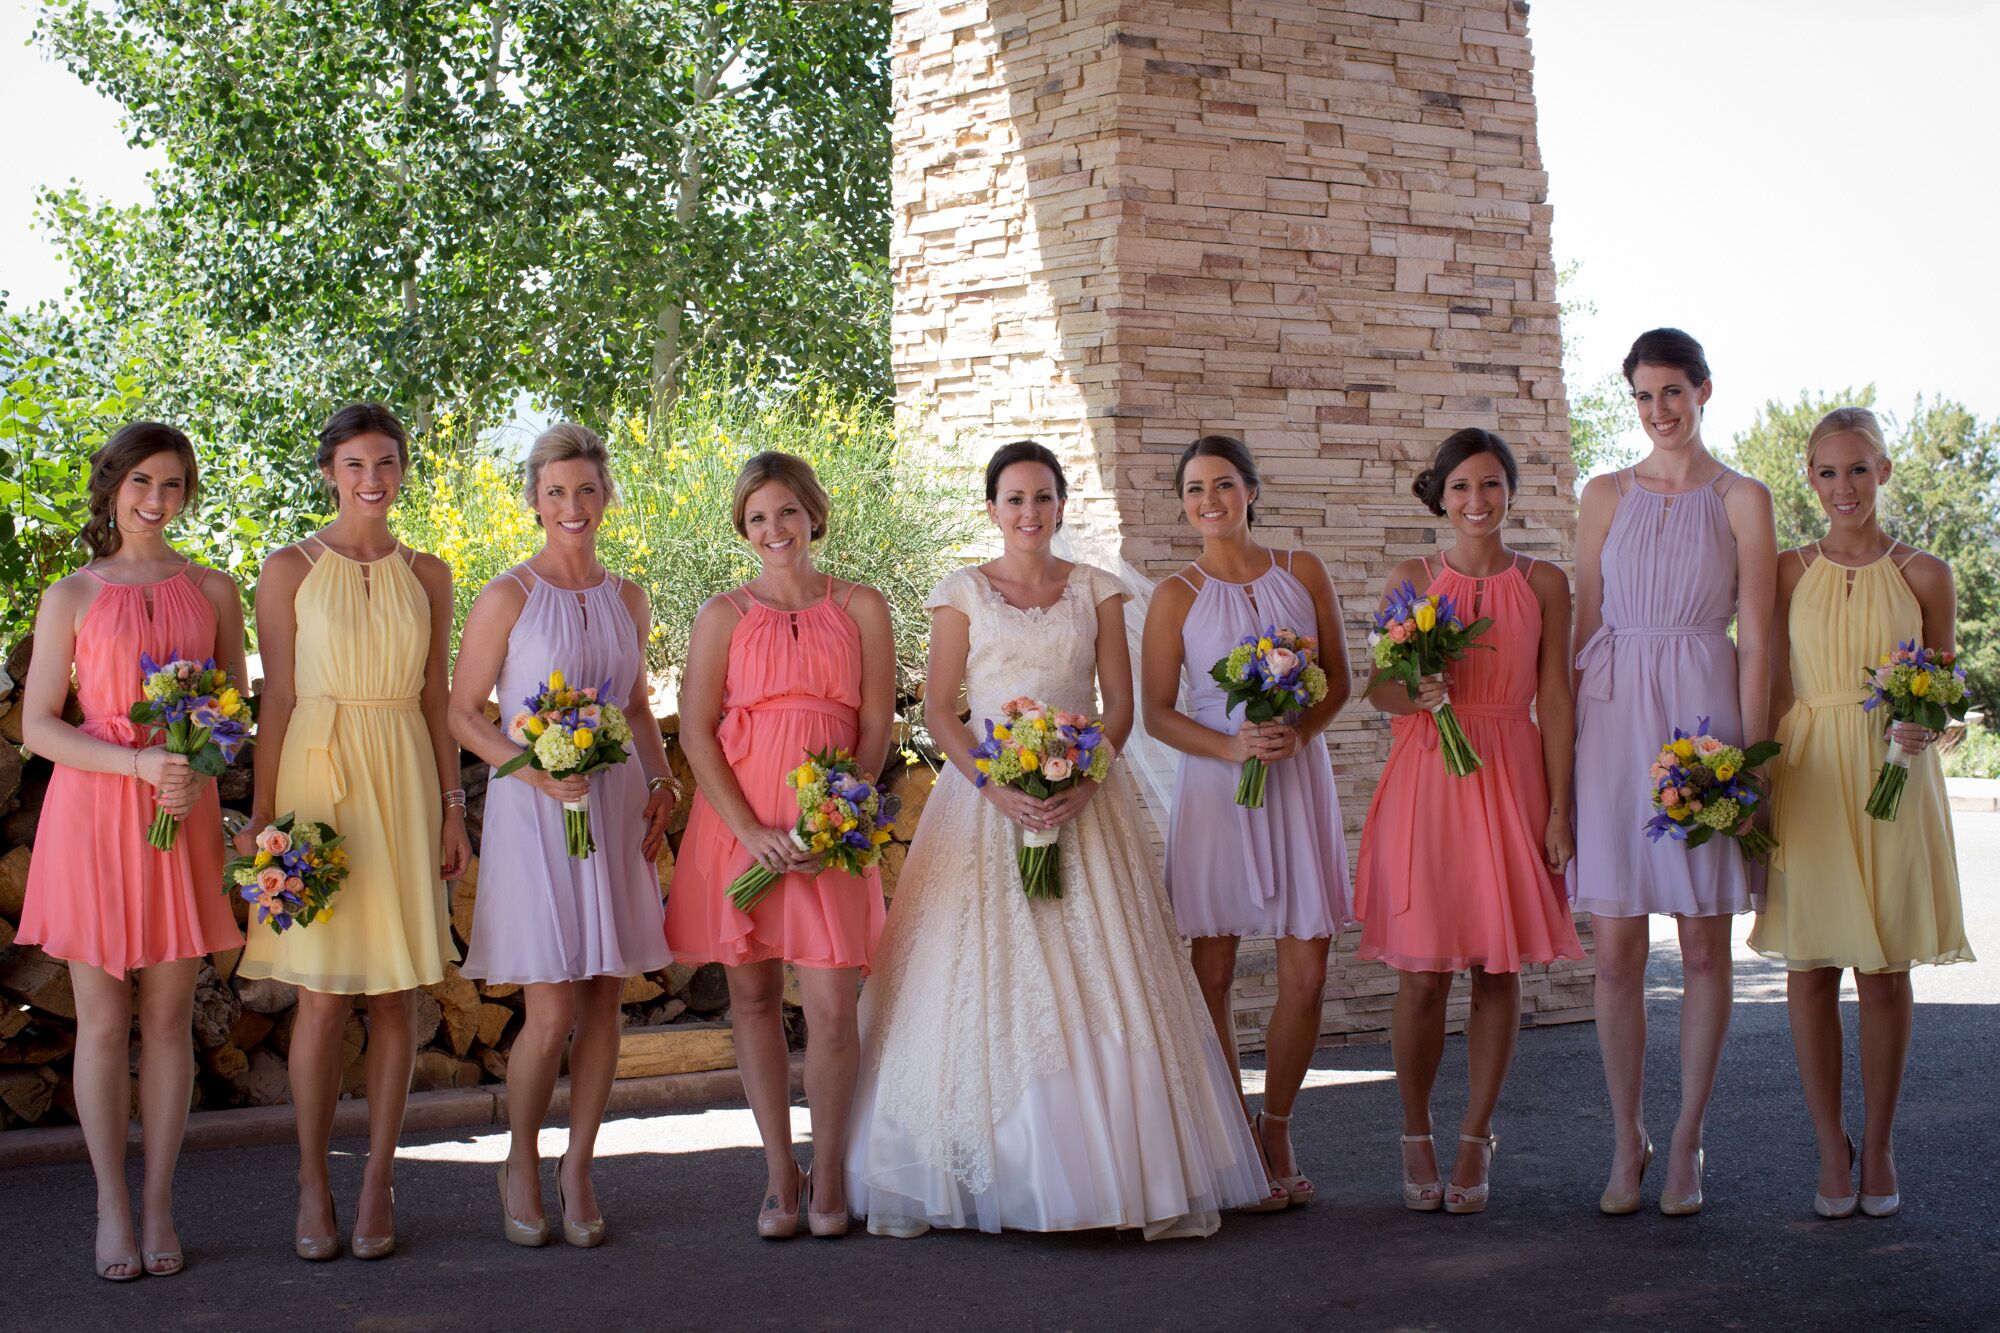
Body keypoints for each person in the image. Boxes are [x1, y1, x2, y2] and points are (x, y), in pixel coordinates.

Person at [846, 441, 1267, 1239]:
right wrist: (996, 785)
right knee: (974, 975)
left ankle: (1122, 1170)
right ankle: (980, 1166)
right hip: (983, 806)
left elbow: (1118, 708)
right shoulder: (960, 592)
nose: (1029, 512)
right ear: (993, 508)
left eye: (1043, 497)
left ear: (1062, 505)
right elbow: (941, 711)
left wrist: (1081, 778)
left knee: (1105, 971)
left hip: (1083, 799)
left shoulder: (1098, 593)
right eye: (1014, 499)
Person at [236, 403, 468, 1261]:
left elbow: (439, 699)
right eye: (356, 465)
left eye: (388, 463)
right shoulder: (287, 567)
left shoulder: (432, 572)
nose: (373, 480)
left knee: (398, 992)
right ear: (330, 471)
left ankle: (379, 1177)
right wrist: (266, 817)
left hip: (404, 774)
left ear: (403, 470)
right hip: (318, 781)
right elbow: (278, 699)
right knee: (324, 995)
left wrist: (454, 804)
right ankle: (312, 1178)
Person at [17, 422, 246, 1279]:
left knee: (167, 1020)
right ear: (113, 485)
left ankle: (159, 1205)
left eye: (175, 485)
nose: (157, 501)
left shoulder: (215, 589)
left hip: (179, 814)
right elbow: (40, 725)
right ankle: (112, 1204)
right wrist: (139, 761)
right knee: (105, 1025)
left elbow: (235, 713)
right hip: (94, 815)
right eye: (143, 482)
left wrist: (195, 761)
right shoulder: (70, 595)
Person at [450, 424, 678, 1247]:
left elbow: (639, 707)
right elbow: (461, 710)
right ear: (534, 500)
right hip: (536, 805)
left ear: (606, 496)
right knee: (548, 1010)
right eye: (556, 492)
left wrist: (660, 780)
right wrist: (532, 769)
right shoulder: (507, 594)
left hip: (612, 805)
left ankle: (579, 1164)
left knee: (604, 998)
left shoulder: (631, 596)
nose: (572, 506)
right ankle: (519, 1157)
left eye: (586, 489)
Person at [1570, 329, 1777, 1216]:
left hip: (1703, 713)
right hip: (1613, 720)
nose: (1659, 411)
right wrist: (1569, 761)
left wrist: (1753, 765)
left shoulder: (1744, 499)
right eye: (1644, 396)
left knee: (1700, 941)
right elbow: (1583, 622)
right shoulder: (1603, 492)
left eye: (1672, 392)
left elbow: (1761, 638)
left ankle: (1688, 1136)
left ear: (1703, 391)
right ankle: (1628, 1137)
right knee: (1615, 950)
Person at [1748, 407, 1972, 1218]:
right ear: (1809, 477)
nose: (1844, 486)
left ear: (1884, 473)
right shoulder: (1783, 570)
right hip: (1807, 769)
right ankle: (1827, 1146)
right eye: (1827, 471)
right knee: (1809, 969)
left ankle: (1877, 1145)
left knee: (1884, 971)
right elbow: (1771, 681)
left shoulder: (1926, 574)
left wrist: (1931, 722)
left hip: (1895, 778)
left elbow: (1946, 695)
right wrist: (1760, 781)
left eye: (1859, 468)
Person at [665, 452, 896, 1239]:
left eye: (787, 512)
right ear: (744, 527)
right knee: (754, 998)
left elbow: (876, 723)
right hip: (744, 828)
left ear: (814, 515)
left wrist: (839, 811)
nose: (775, 530)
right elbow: (696, 733)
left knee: (833, 1006)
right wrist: (751, 831)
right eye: (759, 517)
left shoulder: (863, 604)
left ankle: (828, 1170)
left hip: (831, 830)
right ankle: (778, 1174)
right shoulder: (722, 613)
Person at [1354, 428, 1584, 1214]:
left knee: (1497, 969)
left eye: (1490, 485)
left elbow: (1555, 698)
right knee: (1421, 975)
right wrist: (1413, 690)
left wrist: (1561, 806)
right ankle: (1414, 1131)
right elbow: (1376, 687)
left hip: (1511, 770)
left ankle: (1476, 1135)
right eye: (1461, 488)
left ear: (1510, 492)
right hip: (1428, 777)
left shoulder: (1545, 581)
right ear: (1441, 495)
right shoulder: (1412, 576)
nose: (1476, 501)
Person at [1138, 434, 1352, 1210]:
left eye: (1223, 484)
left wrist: (1301, 729)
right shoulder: (1174, 594)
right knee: (1216, 968)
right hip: (1214, 789)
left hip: (1297, 782)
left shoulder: (1304, 570)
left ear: (1251, 490)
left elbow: (1339, 680)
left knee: (1307, 972)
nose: (1209, 501)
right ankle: (1230, 1133)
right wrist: (1231, 744)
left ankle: (1278, 1123)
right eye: (1194, 489)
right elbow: (1158, 713)